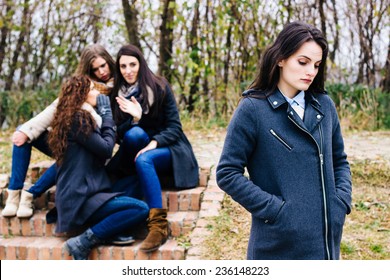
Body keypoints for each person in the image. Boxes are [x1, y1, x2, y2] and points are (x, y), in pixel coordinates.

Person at [216, 21, 352, 260]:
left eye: (317, 65)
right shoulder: (252, 109)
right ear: (280, 59)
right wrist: (276, 211)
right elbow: (227, 173)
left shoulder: (325, 106)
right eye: (303, 62)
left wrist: (340, 201)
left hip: (326, 245)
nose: (310, 71)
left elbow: (339, 161)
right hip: (277, 246)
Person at [2, 44, 115, 219]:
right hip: (73, 142)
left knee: (72, 152)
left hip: (94, 149)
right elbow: (55, 108)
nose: (101, 72)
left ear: (109, 61)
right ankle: (14, 193)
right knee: (23, 132)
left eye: (103, 65)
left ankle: (31, 194)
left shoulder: (116, 89)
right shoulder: (83, 86)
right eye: (95, 69)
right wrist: (26, 131)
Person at [107, 44, 199, 252]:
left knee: (144, 159)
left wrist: (154, 143)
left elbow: (174, 127)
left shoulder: (159, 86)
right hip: (137, 150)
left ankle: (158, 227)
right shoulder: (118, 96)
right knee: (135, 136)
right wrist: (136, 118)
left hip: (170, 149)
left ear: (141, 64)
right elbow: (120, 135)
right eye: (123, 66)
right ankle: (115, 220)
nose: (128, 70)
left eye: (132, 64)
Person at [47, 75, 149, 260]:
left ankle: (110, 229)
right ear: (82, 95)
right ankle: (83, 242)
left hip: (90, 190)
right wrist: (107, 115)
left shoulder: (81, 117)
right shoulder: (78, 119)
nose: (97, 93)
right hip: (80, 197)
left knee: (136, 181)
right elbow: (106, 149)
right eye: (93, 89)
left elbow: (106, 140)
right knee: (140, 208)